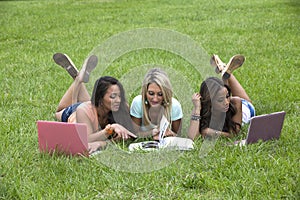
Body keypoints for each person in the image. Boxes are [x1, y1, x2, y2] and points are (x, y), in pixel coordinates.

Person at [53, 53, 136, 153]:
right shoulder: (82, 111)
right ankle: (78, 79)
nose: (118, 100)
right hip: (75, 112)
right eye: (113, 96)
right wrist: (110, 129)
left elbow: (131, 135)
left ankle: (79, 78)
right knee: (59, 111)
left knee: (89, 105)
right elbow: (85, 140)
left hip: (92, 106)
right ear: (100, 98)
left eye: (120, 96)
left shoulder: (122, 107)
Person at [188, 54, 255, 140]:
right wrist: (197, 109)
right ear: (209, 101)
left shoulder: (236, 102)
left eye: (227, 97)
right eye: (220, 100)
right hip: (220, 100)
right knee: (222, 91)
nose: (227, 102)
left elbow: (234, 134)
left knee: (243, 100)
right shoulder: (200, 107)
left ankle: (224, 70)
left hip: (245, 109)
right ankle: (223, 71)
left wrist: (212, 132)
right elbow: (192, 138)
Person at [130, 68, 183, 140]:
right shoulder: (138, 103)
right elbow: (133, 134)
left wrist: (169, 134)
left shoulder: (174, 106)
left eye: (160, 94)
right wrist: (151, 133)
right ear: (145, 92)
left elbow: (177, 136)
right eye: (151, 93)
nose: (155, 99)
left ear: (166, 93)